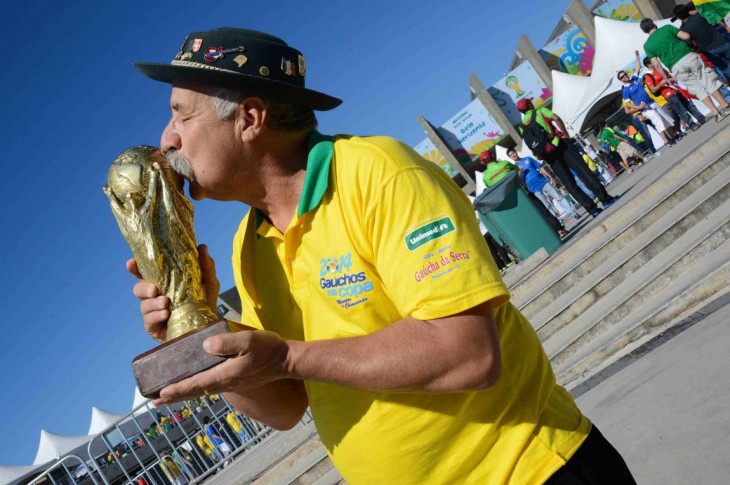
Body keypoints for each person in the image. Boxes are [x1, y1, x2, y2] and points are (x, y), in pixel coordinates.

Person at [128, 27, 635, 483]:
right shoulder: (249, 242)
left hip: (531, 470)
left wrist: (288, 355)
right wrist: (199, 336)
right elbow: (283, 405)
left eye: (181, 116)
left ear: (250, 118)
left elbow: (469, 353)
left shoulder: (378, 173)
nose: (166, 140)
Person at [516, 98, 619, 218]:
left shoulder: (522, 126)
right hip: (560, 144)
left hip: (548, 155)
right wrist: (566, 134)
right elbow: (556, 118)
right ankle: (605, 200)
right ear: (530, 104)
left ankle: (593, 210)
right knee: (583, 171)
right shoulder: (540, 111)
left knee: (569, 183)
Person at [641, 17, 730, 122]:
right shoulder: (667, 28)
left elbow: (656, 64)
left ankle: (716, 113)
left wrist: (666, 78)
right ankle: (725, 106)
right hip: (688, 56)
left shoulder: (647, 46)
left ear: (645, 31)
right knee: (708, 80)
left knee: (697, 89)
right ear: (653, 23)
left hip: (675, 66)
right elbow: (686, 36)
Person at [507, 148, 578, 234]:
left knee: (558, 196)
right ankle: (559, 223)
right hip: (533, 189)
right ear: (509, 158)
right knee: (547, 206)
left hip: (543, 182)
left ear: (516, 152)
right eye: (510, 155)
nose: (513, 155)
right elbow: (519, 181)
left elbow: (540, 168)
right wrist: (520, 171)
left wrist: (550, 177)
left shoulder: (528, 159)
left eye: (513, 153)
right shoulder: (514, 169)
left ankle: (573, 213)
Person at [618, 52, 677, 147]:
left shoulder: (634, 79)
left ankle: (674, 136)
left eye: (625, 74)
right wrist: (638, 107)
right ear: (621, 80)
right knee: (657, 120)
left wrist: (637, 56)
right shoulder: (625, 90)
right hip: (645, 108)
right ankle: (666, 140)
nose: (625, 77)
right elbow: (628, 104)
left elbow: (637, 67)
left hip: (652, 102)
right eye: (622, 77)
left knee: (665, 118)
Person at [642, 56, 706, 130]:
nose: (655, 62)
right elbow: (653, 90)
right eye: (652, 61)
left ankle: (701, 118)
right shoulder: (648, 76)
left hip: (677, 89)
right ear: (648, 65)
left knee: (690, 105)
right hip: (668, 95)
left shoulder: (660, 69)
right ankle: (692, 125)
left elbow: (670, 76)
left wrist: (673, 79)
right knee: (682, 111)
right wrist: (661, 83)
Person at [674, 4, 730, 80]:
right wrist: (687, 12)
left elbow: (690, 44)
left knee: (726, 69)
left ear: (678, 17)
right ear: (688, 11)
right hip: (722, 43)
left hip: (710, 51)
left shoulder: (684, 29)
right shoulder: (699, 16)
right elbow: (701, 10)